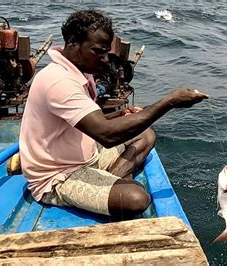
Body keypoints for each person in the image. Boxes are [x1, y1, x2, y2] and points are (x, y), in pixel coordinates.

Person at [19, 9, 209, 220]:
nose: (105, 60)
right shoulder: (58, 81)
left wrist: (127, 116)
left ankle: (108, 179)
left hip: (85, 153)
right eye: (98, 52)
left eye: (106, 52)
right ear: (73, 43)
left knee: (146, 135)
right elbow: (107, 136)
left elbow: (87, 121)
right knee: (136, 198)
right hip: (59, 175)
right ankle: (108, 183)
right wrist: (170, 101)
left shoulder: (79, 70)